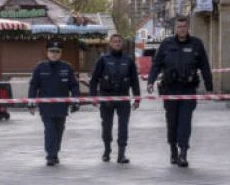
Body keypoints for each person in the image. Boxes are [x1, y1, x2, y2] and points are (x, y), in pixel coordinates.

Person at [146, 16, 212, 167]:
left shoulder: (196, 44)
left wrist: (209, 87)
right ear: (175, 28)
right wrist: (150, 81)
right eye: (179, 27)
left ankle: (183, 153)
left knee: (185, 122)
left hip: (188, 90)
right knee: (172, 122)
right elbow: (156, 64)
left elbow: (205, 66)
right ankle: (173, 150)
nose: (182, 29)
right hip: (170, 89)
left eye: (184, 26)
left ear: (188, 27)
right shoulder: (166, 44)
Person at [28, 40, 81, 166]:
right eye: (52, 51)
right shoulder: (40, 68)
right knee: (50, 130)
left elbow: (74, 86)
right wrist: (31, 103)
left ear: (61, 53)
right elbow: (33, 86)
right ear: (47, 52)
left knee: (59, 130)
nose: (54, 54)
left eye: (57, 52)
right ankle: (50, 156)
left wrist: (75, 101)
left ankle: (55, 152)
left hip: (62, 107)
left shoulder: (67, 68)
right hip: (46, 107)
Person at [90, 34, 141, 164]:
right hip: (107, 97)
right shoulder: (103, 59)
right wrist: (93, 97)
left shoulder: (128, 60)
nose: (117, 43)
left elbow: (135, 80)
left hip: (123, 97)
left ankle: (121, 154)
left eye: (119, 41)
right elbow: (94, 79)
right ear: (110, 44)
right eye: (114, 42)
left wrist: (137, 98)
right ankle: (107, 150)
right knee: (107, 126)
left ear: (122, 44)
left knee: (123, 126)